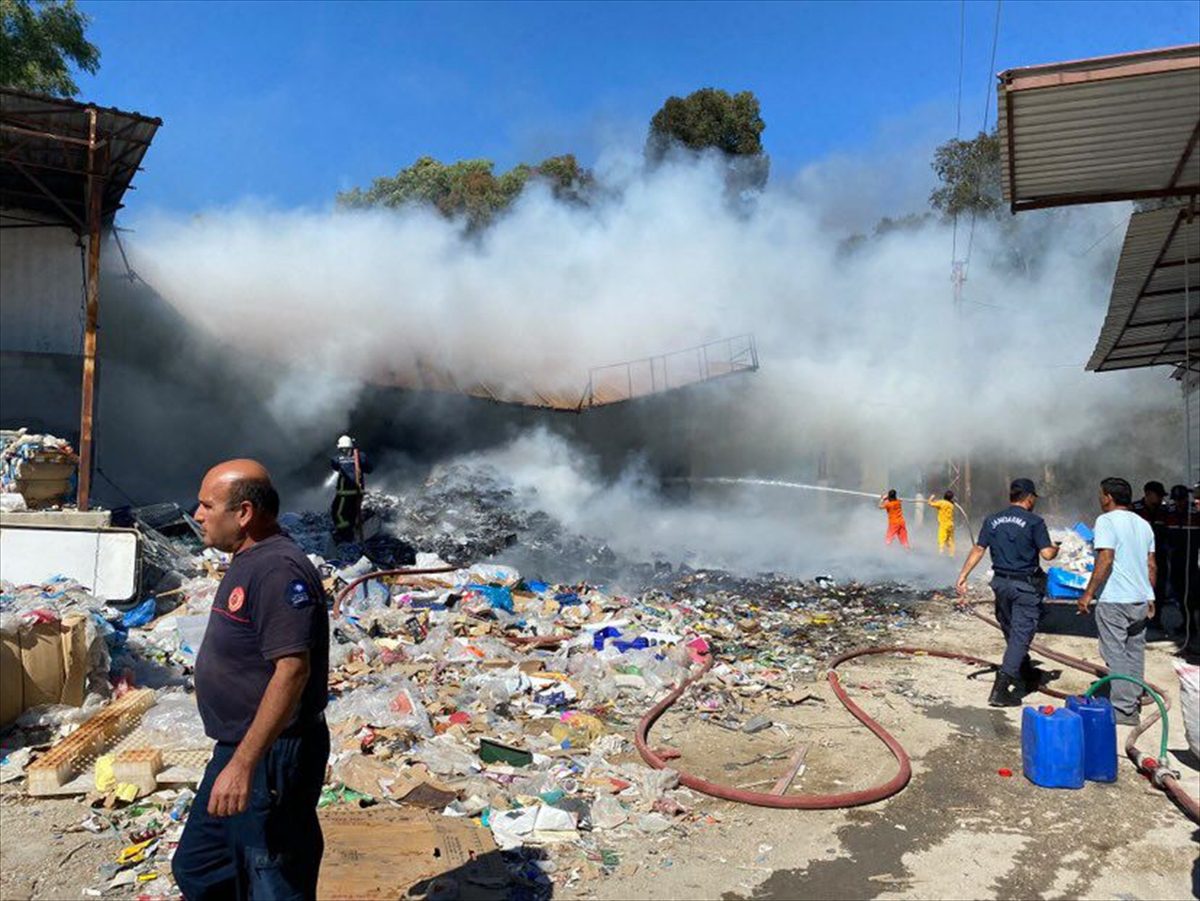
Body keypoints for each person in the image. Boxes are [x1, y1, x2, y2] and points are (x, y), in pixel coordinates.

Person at [173, 460, 330, 900]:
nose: (198, 514)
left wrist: (244, 764)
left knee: (273, 875)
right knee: (200, 866)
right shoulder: (248, 560)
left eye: (208, 505)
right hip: (239, 749)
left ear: (243, 513)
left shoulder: (278, 570)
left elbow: (292, 670)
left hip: (269, 755)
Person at [956, 478, 1059, 707]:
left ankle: (1024, 670)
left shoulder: (992, 520)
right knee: (1021, 635)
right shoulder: (1034, 522)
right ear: (1029, 497)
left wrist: (963, 575)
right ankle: (1001, 690)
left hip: (1000, 583)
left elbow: (979, 548)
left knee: (1012, 630)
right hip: (1025, 587)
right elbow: (1047, 555)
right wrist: (1056, 548)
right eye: (1034, 498)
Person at [1076, 478, 1155, 726]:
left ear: (1108, 497)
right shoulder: (1143, 525)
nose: (1100, 499)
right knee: (1135, 652)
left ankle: (1123, 711)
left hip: (1115, 599)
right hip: (1140, 599)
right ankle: (1133, 700)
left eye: (1101, 495)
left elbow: (1106, 559)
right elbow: (1151, 564)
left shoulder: (1105, 521)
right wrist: (1151, 595)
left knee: (1116, 654)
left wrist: (1088, 593)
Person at [1165, 483, 1200, 648]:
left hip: (1193, 560)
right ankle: (1187, 622)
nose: (1179, 503)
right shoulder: (1168, 512)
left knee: (1194, 594)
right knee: (1179, 593)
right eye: (1176, 500)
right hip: (1176, 560)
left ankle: (1193, 623)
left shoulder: (1195, 512)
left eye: (1182, 499)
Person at [1133, 481, 1170, 628]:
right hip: (1139, 556)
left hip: (1160, 554)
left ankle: (1156, 617)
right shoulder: (1134, 510)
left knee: (1159, 587)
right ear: (1148, 495)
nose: (1160, 499)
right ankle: (1138, 618)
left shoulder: (1164, 511)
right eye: (1158, 496)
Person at [330, 434, 372, 543]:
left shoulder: (337, 458)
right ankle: (350, 531)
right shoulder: (360, 456)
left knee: (337, 512)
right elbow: (369, 469)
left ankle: (344, 533)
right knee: (352, 512)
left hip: (344, 492)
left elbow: (334, 466)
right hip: (358, 491)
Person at [927, 490, 957, 556]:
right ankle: (952, 555)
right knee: (950, 540)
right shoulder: (951, 505)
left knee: (941, 539)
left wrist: (931, 498)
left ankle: (941, 553)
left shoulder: (941, 503)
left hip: (943, 525)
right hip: (951, 525)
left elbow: (930, 503)